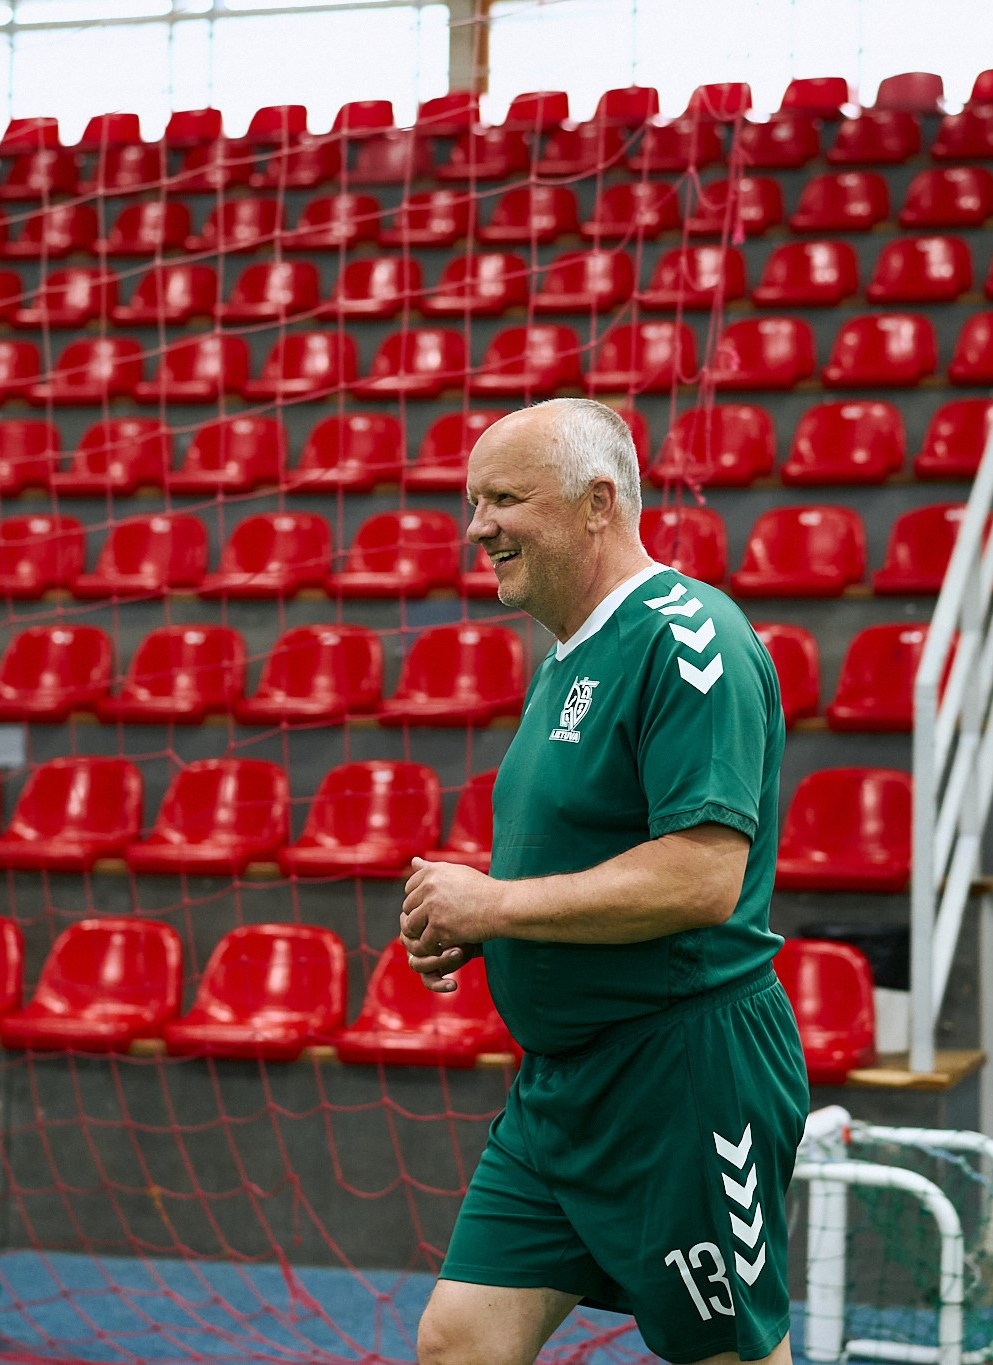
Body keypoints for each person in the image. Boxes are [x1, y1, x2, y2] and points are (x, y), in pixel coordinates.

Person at [402, 398, 809, 1365]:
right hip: (563, 1089)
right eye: (472, 500)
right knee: (459, 1340)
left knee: (731, 1359)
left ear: (596, 504)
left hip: (684, 1078)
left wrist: (494, 902)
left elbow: (703, 877)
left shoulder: (689, 636)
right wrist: (485, 926)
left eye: (505, 498)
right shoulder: (565, 656)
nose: (478, 526)